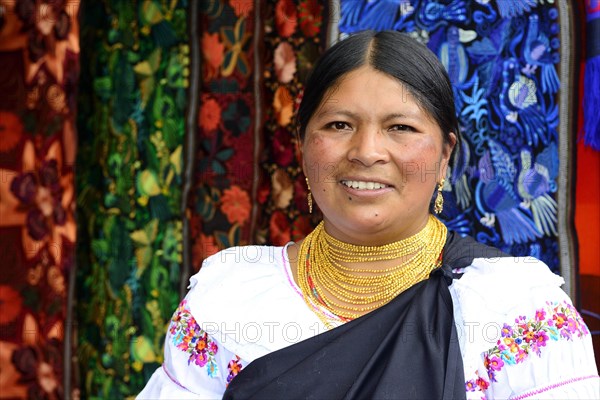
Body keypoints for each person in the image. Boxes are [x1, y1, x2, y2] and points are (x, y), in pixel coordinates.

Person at [138, 30, 599, 399]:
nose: (367, 152)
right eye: (339, 125)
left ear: (445, 155)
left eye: (401, 128)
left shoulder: (514, 307)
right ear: (302, 147)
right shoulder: (229, 295)